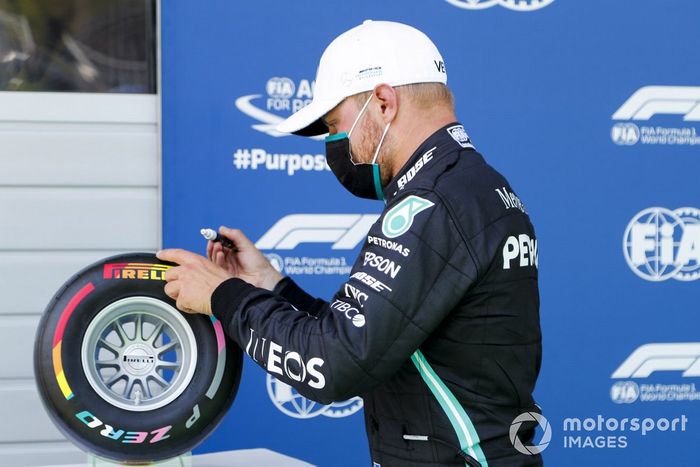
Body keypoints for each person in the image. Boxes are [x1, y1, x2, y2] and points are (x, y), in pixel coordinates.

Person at [158, 20, 542, 467]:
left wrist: (225, 296)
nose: (336, 146)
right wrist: (270, 285)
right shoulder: (466, 184)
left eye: (336, 126)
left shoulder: (435, 202)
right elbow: (375, 339)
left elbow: (336, 364)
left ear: (383, 103)